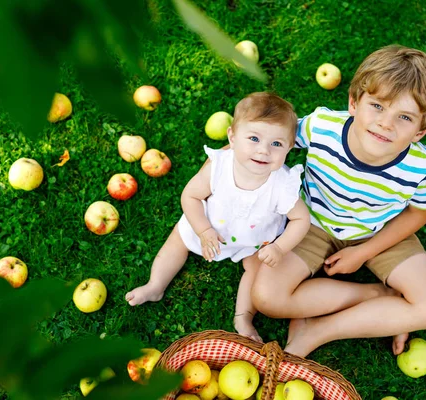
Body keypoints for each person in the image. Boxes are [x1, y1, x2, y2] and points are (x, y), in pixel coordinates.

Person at [249, 45, 426, 357]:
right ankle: (378, 296)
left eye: (404, 117)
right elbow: (278, 138)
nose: (386, 124)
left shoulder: (419, 166)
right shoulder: (323, 128)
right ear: (354, 103)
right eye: (377, 106)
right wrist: (233, 158)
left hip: (378, 230)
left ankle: (319, 330)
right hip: (313, 222)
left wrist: (364, 252)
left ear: (420, 131)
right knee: (267, 298)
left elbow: (419, 212)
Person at [125, 92, 311, 342]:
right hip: (211, 224)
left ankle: (242, 318)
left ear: (289, 148)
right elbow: (190, 196)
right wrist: (203, 230)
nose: (263, 150)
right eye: (253, 138)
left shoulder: (281, 184)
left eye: (276, 144)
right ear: (232, 138)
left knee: (256, 269)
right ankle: (155, 285)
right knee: (178, 240)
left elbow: (301, 220)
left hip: (254, 241)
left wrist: (279, 248)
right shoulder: (219, 166)